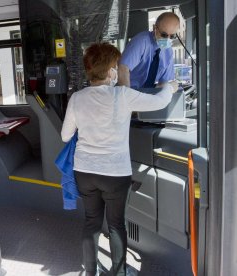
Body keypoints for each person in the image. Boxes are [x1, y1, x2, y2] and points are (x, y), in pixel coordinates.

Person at [61, 42, 178, 276]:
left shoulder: (76, 98)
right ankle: (119, 272)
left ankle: (91, 272)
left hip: (84, 171)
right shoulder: (122, 95)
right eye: (115, 65)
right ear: (110, 70)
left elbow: (65, 136)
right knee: (116, 225)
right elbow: (159, 102)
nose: (117, 70)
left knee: (92, 222)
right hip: (115, 174)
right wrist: (170, 87)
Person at [118, 12, 180, 89]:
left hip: (148, 94)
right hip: (131, 91)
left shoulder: (168, 51)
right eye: (164, 35)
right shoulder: (141, 41)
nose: (167, 39)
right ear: (155, 28)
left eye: (172, 36)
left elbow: (166, 81)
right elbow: (123, 68)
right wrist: (126, 96)